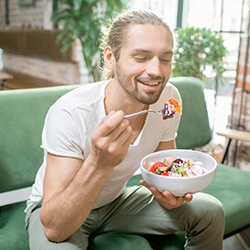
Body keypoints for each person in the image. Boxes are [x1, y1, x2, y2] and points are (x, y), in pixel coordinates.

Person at [25, 9, 225, 250]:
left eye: (165, 59)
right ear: (110, 57)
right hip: (60, 210)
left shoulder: (168, 100)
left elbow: (164, 167)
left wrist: (171, 193)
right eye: (141, 57)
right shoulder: (70, 112)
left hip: (115, 201)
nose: (156, 71)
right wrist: (100, 162)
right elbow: (55, 228)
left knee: (211, 211)